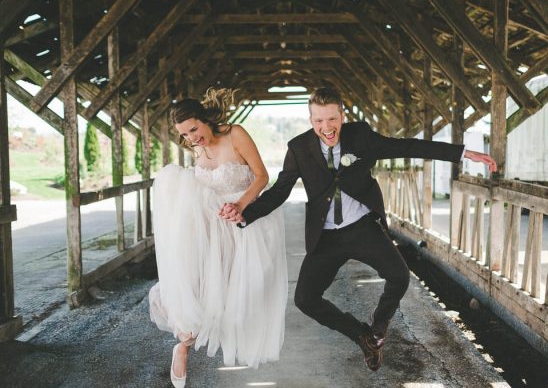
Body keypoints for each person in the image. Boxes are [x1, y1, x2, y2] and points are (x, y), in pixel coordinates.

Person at [220, 87, 496, 372]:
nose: (326, 127)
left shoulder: (361, 136)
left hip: (361, 227)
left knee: (399, 276)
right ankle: (361, 335)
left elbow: (407, 146)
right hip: (325, 235)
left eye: (331, 119)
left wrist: (463, 153)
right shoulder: (298, 148)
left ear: (342, 114)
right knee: (305, 299)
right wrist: (244, 213)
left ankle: (378, 328)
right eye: (318, 121)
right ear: (310, 119)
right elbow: (279, 191)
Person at [148, 88, 287, 388]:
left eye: (194, 129)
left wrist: (240, 205)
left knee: (239, 295)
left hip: (245, 219)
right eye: (185, 135)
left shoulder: (235, 134)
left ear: (205, 120)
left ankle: (202, 339)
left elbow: (262, 175)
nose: (192, 138)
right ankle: (183, 346)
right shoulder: (196, 148)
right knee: (200, 288)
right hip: (212, 224)